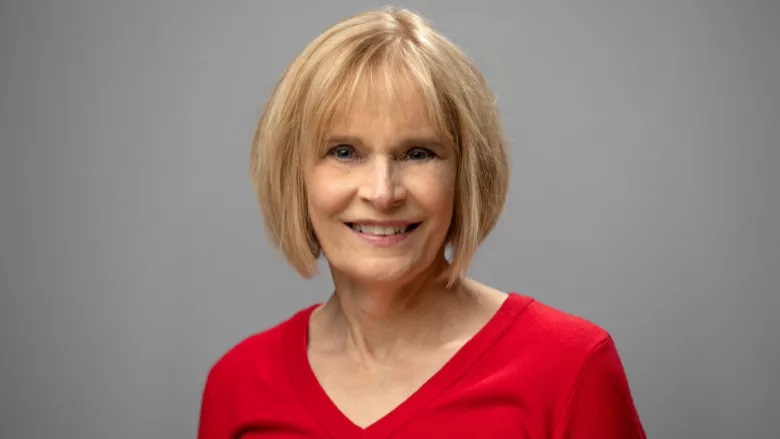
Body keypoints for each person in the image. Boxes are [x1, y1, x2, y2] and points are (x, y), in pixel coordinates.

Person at [197, 6, 646, 439]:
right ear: (294, 174)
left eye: (417, 153)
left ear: (465, 176)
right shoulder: (238, 384)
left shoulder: (569, 368)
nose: (382, 191)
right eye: (344, 152)